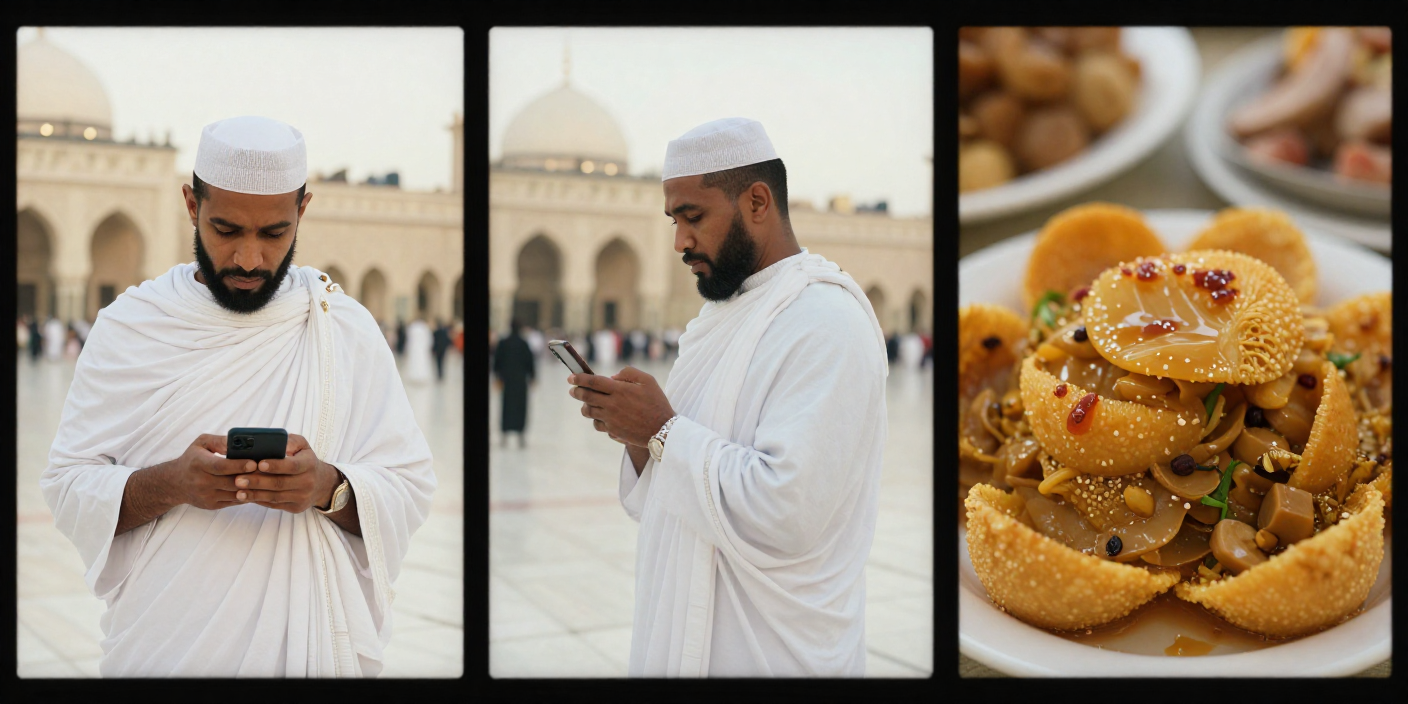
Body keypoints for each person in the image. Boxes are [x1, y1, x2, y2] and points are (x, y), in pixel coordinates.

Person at [39, 115, 436, 677]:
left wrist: (328, 488)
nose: (249, 259)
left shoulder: (342, 327)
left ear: (302, 211)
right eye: (226, 230)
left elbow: (409, 485)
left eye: (274, 234)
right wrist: (173, 483)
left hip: (307, 653)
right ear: (190, 205)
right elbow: (68, 486)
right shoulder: (132, 326)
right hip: (165, 646)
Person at [568, 118, 887, 677]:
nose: (679, 242)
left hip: (774, 651)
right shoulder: (721, 318)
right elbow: (672, 495)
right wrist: (640, 439)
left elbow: (789, 512)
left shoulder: (825, 321)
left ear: (757, 202)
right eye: (673, 220)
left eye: (693, 217)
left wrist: (663, 431)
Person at [492, 318, 535, 448]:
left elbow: (497, 362)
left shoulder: (503, 342)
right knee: (520, 408)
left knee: (507, 407)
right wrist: (532, 377)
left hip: (507, 381)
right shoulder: (524, 343)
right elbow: (530, 362)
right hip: (521, 382)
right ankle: (520, 435)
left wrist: (497, 377)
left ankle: (504, 435)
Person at [403, 316, 433, 384]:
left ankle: (414, 376)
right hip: (422, 349)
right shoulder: (425, 327)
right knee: (422, 362)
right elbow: (429, 340)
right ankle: (421, 377)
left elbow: (409, 339)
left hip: (413, 348)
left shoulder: (412, 327)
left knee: (414, 362)